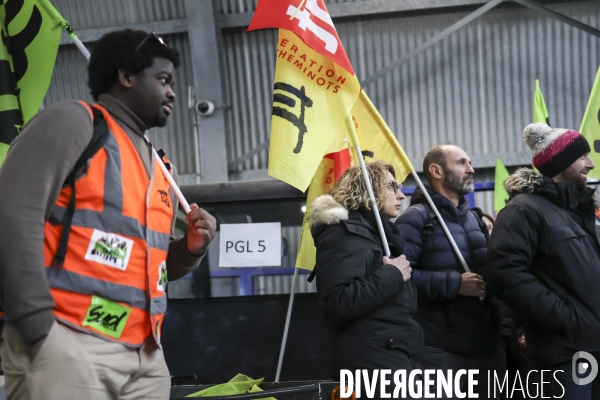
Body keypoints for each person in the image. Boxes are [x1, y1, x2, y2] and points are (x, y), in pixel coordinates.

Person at [0, 29, 216, 399]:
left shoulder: (163, 167)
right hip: (70, 344)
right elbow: (11, 221)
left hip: (147, 359)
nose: (172, 93)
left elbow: (154, 268)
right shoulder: (74, 123)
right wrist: (40, 333)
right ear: (126, 76)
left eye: (173, 83)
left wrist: (189, 251)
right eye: (163, 80)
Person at [486, 123, 600, 399]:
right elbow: (505, 273)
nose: (591, 164)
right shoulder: (523, 210)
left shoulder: (579, 210)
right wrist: (566, 318)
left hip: (592, 348)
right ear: (560, 162)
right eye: (582, 156)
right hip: (563, 355)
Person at [395, 144, 504, 398]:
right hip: (440, 351)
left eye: (469, 162)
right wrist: (455, 284)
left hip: (488, 347)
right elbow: (400, 279)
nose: (471, 169)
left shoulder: (475, 219)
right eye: (461, 163)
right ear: (436, 170)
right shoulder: (414, 219)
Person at [309, 161, 423, 397]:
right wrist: (392, 274)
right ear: (366, 189)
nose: (401, 195)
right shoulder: (344, 233)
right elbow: (337, 301)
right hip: (372, 358)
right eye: (392, 186)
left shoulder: (375, 233)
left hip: (390, 351)